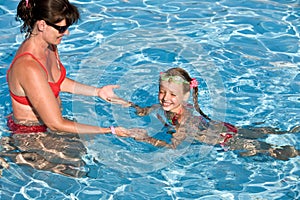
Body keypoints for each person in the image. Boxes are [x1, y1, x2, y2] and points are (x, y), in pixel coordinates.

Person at [1, 0, 144, 177]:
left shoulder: (49, 46)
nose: (66, 33)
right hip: (31, 136)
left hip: (49, 127)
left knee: (100, 151)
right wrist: (111, 130)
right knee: (79, 172)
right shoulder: (28, 66)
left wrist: (98, 92)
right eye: (61, 28)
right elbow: (56, 123)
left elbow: (57, 82)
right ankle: (10, 153)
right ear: (42, 25)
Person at [111, 67, 300, 161]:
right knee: (258, 132)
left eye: (172, 94)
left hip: (224, 139)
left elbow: (174, 147)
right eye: (162, 92)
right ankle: (289, 132)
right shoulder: (163, 107)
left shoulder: (184, 120)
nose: (165, 98)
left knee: (270, 150)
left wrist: (147, 139)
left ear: (186, 97)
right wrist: (125, 103)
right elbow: (144, 111)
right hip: (223, 127)